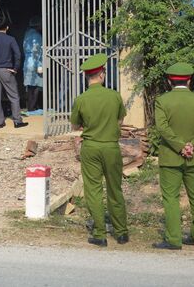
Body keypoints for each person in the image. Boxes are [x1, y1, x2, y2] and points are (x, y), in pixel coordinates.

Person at [152, 62, 194, 250]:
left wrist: (180, 146)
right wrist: (192, 146)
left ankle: (173, 239)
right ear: (190, 79)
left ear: (169, 80)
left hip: (171, 157)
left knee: (171, 198)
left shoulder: (162, 101)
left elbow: (162, 128)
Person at [71, 53, 128, 247]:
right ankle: (121, 233)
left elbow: (75, 127)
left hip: (91, 147)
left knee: (94, 190)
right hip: (111, 148)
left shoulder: (81, 100)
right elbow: (121, 121)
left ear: (87, 77)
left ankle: (100, 233)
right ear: (102, 74)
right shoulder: (114, 96)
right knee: (115, 189)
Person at [0, 18, 28, 128]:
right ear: (7, 28)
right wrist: (15, 68)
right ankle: (17, 121)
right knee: (13, 96)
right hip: (6, 70)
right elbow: (18, 54)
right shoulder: (10, 39)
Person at [23, 16, 43, 112]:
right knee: (36, 86)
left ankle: (29, 107)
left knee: (29, 86)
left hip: (27, 62)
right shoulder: (37, 36)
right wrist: (40, 64)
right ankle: (32, 107)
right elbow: (38, 51)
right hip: (35, 62)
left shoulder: (27, 34)